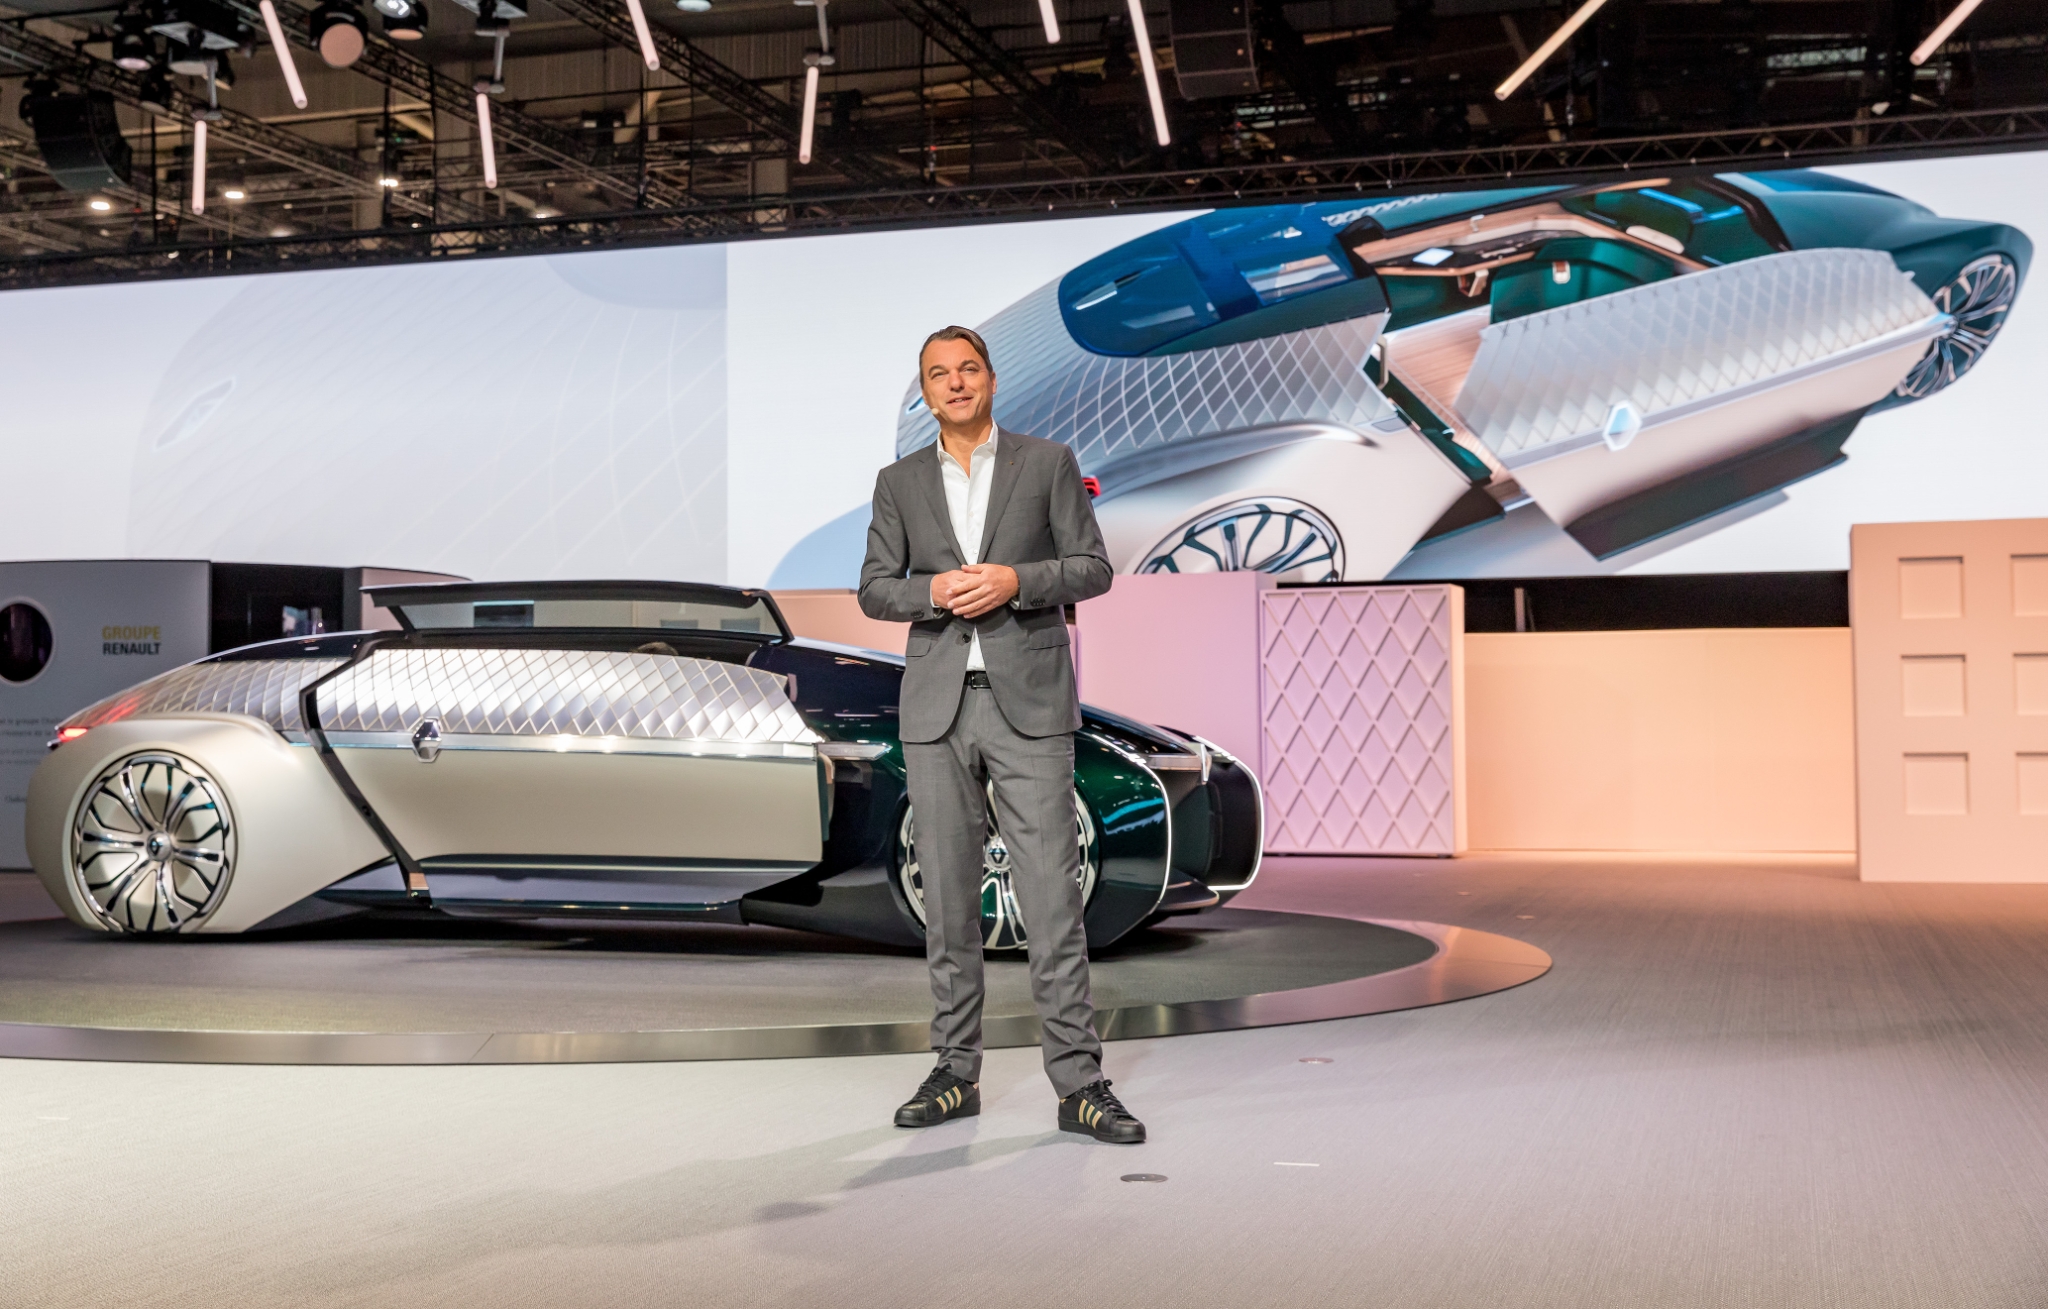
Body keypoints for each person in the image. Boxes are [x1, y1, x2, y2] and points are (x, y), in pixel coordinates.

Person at [858, 325, 1145, 1145]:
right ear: (925, 392)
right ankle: (956, 1071)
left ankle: (1080, 1083)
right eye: (938, 374)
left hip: (1030, 705)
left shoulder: (1047, 463)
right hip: (937, 708)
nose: (954, 383)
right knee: (949, 902)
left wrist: (1018, 580)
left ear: (989, 378)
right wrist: (934, 591)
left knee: (1052, 898)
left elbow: (1092, 567)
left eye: (967, 368)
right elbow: (875, 589)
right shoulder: (898, 481)